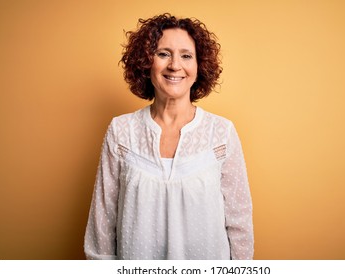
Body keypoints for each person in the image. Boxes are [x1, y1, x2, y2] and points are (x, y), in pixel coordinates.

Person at [84, 13, 254, 260]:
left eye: (186, 55)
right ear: (146, 62)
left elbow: (240, 222)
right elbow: (102, 222)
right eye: (164, 54)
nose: (175, 65)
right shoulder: (121, 131)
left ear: (199, 66)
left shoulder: (221, 133)